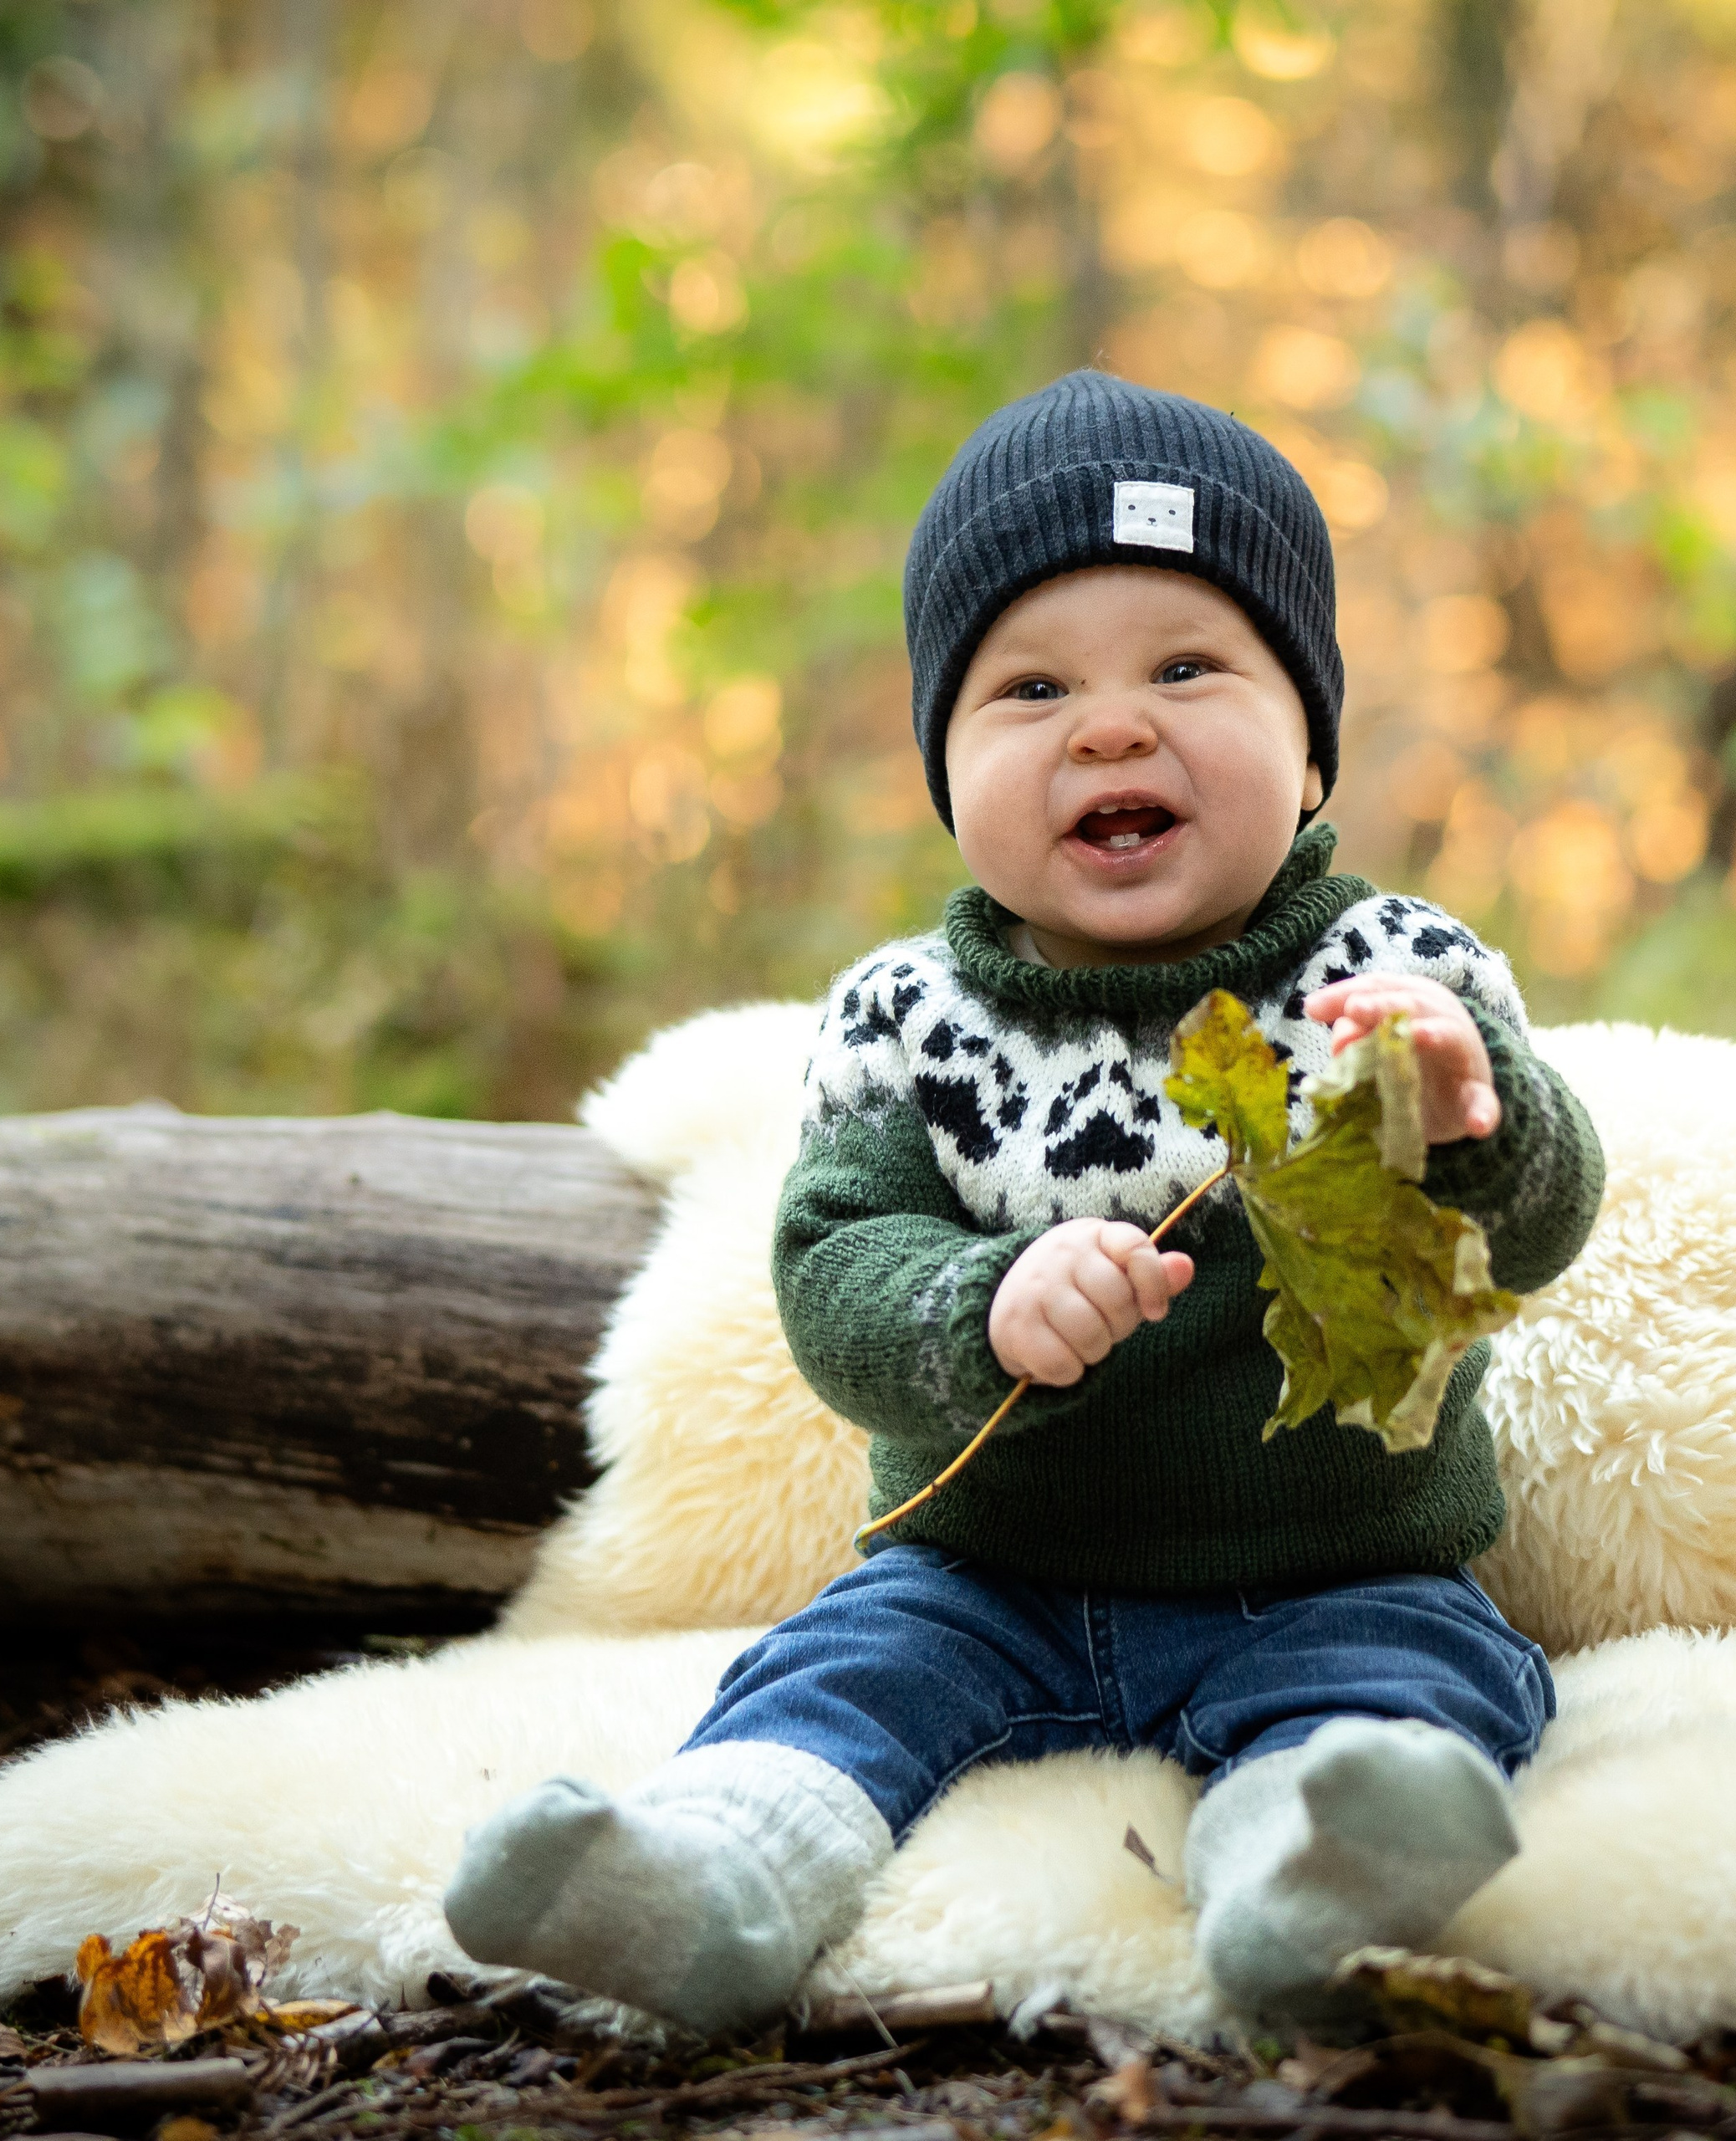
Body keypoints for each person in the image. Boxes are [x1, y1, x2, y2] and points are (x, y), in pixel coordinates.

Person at [443, 370, 1604, 2036]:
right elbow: (833, 1266)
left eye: (1187, 666)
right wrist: (975, 1299)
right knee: (838, 1665)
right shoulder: (902, 1017)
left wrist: (1466, 1115)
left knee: (1404, 1680)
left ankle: (1310, 1866)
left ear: (1306, 731)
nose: (1111, 725)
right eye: (1032, 684)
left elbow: (1540, 1227)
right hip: (986, 1566)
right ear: (943, 761)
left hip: (1332, 1557)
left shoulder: (1392, 972)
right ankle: (717, 1869)